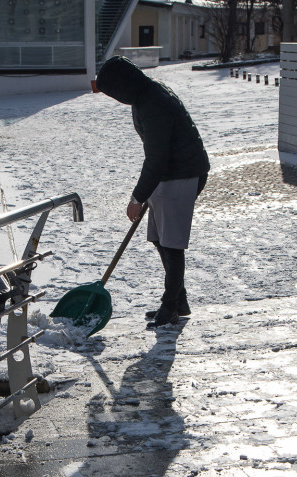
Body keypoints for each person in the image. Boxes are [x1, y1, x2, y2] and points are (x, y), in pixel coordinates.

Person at [93, 56, 210, 328]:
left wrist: (137, 198)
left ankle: (170, 307)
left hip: (182, 174)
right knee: (159, 239)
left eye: (113, 93)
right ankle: (178, 300)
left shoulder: (152, 102)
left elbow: (157, 158)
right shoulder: (145, 95)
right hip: (170, 173)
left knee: (171, 243)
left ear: (123, 85)